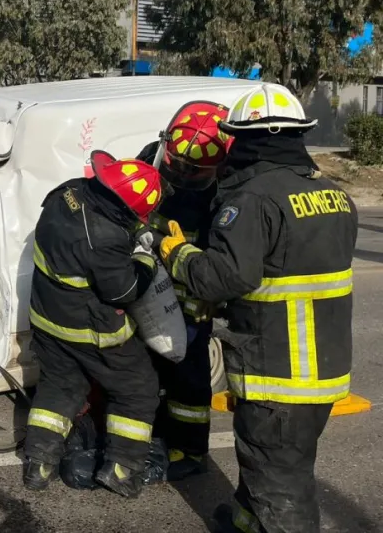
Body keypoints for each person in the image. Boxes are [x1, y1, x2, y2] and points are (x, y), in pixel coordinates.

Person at [158, 84, 357, 533]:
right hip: (323, 369)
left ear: (244, 140)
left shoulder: (251, 201)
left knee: (280, 483)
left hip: (277, 372)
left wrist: (178, 253)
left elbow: (224, 278)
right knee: (277, 464)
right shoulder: (333, 194)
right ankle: (248, 521)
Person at [24, 151, 164, 498]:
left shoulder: (65, 194)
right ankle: (122, 470)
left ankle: (38, 465)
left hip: (46, 318)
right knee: (137, 390)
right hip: (89, 330)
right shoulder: (104, 237)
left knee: (60, 386)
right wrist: (145, 258)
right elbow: (124, 291)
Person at [136, 100, 231, 481]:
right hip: (146, 287)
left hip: (192, 300)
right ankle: (155, 436)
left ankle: (191, 450)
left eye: (196, 171)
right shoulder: (152, 158)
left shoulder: (226, 192)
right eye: (179, 165)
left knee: (189, 380)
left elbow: (222, 259)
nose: (185, 174)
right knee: (148, 371)